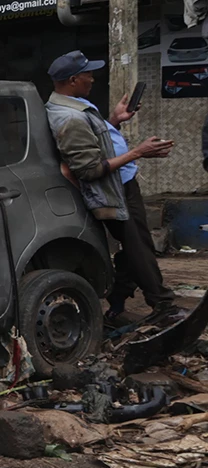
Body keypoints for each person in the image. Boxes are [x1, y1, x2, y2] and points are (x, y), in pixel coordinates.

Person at [44, 52, 176, 323]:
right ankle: (163, 305)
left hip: (123, 184)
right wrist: (138, 153)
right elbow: (88, 169)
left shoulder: (76, 105)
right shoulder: (69, 118)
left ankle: (117, 301)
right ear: (73, 80)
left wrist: (115, 120)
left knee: (133, 247)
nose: (92, 78)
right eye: (88, 74)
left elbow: (95, 142)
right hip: (114, 192)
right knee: (139, 247)